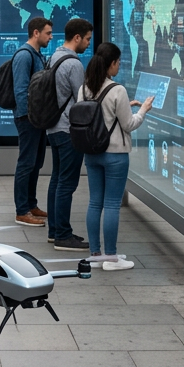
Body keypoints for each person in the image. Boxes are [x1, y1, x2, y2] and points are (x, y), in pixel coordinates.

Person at [79, 42, 152, 270]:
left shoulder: (85, 88)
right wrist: (143, 110)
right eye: (119, 62)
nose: (119, 66)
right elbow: (129, 124)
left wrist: (124, 107)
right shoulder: (117, 89)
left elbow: (96, 114)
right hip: (115, 155)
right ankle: (111, 258)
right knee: (111, 204)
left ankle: (95, 254)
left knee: (94, 202)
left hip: (92, 153)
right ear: (111, 63)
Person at [46, 18, 94, 250]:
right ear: (77, 38)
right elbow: (82, 98)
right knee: (67, 183)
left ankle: (55, 231)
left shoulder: (54, 56)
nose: (87, 43)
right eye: (87, 39)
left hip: (53, 126)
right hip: (67, 129)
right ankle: (63, 236)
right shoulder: (74, 64)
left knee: (56, 179)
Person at [12, 16, 53, 227]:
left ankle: (31, 204)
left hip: (36, 118)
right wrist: (28, 115)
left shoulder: (36, 54)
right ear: (36, 33)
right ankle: (22, 210)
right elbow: (20, 89)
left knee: (35, 163)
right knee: (26, 163)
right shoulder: (24, 55)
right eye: (47, 33)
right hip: (27, 118)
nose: (51, 36)